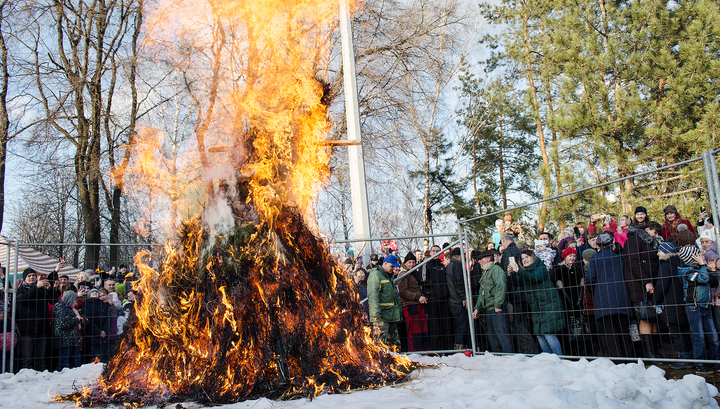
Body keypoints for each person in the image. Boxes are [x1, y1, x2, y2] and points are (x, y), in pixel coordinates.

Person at [508, 250, 566, 355]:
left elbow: (535, 278)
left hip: (549, 305)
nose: (524, 260)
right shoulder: (526, 272)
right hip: (536, 308)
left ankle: (560, 358)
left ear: (533, 257)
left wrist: (519, 271)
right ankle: (548, 359)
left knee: (548, 334)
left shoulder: (541, 267)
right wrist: (511, 274)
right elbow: (516, 282)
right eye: (523, 259)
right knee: (540, 334)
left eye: (527, 257)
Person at [584, 233, 633, 358]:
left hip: (603, 298)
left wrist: (595, 291)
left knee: (609, 332)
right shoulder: (619, 258)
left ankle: (616, 359)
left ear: (599, 245)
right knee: (623, 330)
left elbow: (589, 278)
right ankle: (629, 357)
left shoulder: (595, 259)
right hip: (621, 296)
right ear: (612, 244)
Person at [677, 245, 719, 374]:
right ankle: (700, 363)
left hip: (705, 306)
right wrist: (703, 266)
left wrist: (708, 269)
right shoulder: (686, 271)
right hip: (693, 307)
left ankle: (716, 361)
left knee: (713, 337)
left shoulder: (699, 268)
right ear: (692, 258)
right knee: (699, 336)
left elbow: (713, 280)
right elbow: (704, 279)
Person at [622, 222, 660, 360]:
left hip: (648, 283)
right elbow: (634, 263)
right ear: (647, 230)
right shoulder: (633, 240)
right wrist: (646, 281)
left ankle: (656, 351)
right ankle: (650, 354)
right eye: (654, 232)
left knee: (652, 317)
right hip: (639, 284)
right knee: (645, 317)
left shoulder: (646, 241)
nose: (656, 236)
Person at [653, 242, 693, 370]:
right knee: (683, 330)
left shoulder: (665, 265)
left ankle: (684, 358)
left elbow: (661, 285)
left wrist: (655, 300)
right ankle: (690, 355)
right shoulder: (680, 263)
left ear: (665, 252)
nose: (658, 253)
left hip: (670, 302)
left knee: (676, 330)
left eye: (659, 251)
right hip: (682, 301)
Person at [500, 233, 538, 354]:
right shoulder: (518, 251)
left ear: (504, 240)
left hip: (515, 293)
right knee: (524, 323)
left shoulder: (508, 253)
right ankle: (526, 349)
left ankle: (529, 349)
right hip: (525, 291)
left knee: (518, 323)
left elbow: (507, 274)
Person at [472, 250, 513, 353]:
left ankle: (509, 358)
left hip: (496, 309)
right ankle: (498, 358)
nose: (479, 262)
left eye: (480, 259)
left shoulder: (496, 270)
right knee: (493, 337)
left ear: (488, 259)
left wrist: (498, 304)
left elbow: (501, 287)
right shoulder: (485, 272)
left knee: (502, 335)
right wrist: (477, 308)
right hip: (489, 309)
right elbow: (482, 293)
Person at [15, 268, 54, 371]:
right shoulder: (21, 290)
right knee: (27, 358)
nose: (32, 277)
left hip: (42, 327)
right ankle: (26, 378)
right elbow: (24, 299)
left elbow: (53, 300)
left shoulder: (42, 289)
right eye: (29, 276)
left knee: (41, 357)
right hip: (27, 328)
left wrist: (50, 289)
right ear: (24, 279)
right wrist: (36, 287)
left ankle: (40, 378)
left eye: (33, 275)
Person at [417, 244, 453, 351]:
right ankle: (435, 351)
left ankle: (447, 349)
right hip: (432, 300)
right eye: (434, 251)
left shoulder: (442, 265)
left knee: (446, 327)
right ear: (431, 252)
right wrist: (432, 286)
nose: (436, 252)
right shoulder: (426, 264)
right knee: (434, 328)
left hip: (444, 300)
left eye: (438, 251)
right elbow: (422, 279)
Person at [367, 254, 402, 349]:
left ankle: (395, 362)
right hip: (381, 318)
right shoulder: (376, 275)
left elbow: (394, 296)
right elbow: (373, 295)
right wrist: (375, 315)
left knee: (394, 345)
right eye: (392, 266)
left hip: (391, 315)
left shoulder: (387, 275)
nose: (393, 269)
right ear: (385, 263)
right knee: (380, 346)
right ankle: (381, 363)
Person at [397, 252, 428, 351]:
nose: (411, 264)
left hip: (418, 304)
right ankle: (414, 352)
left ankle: (423, 351)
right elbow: (403, 291)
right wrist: (418, 297)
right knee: (414, 331)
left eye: (413, 262)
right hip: (410, 305)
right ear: (405, 263)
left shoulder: (414, 273)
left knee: (422, 330)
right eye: (409, 262)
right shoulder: (403, 274)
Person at [54, 291, 83, 371]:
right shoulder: (62, 310)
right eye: (75, 301)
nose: (76, 304)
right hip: (65, 341)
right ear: (70, 300)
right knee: (64, 363)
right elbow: (63, 324)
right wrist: (76, 319)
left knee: (75, 362)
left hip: (72, 340)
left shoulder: (70, 310)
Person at [445, 247, 468, 349]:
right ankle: (460, 347)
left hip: (452, 301)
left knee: (456, 326)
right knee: (461, 326)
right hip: (458, 301)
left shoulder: (449, 266)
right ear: (460, 256)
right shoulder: (457, 266)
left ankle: (456, 346)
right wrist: (464, 298)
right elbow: (459, 284)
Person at [81, 288, 109, 363]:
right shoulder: (86, 306)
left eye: (96, 292)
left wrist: (104, 330)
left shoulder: (104, 305)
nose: (94, 293)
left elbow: (108, 319)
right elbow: (88, 321)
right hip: (92, 337)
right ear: (88, 295)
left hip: (104, 337)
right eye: (92, 292)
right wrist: (98, 332)